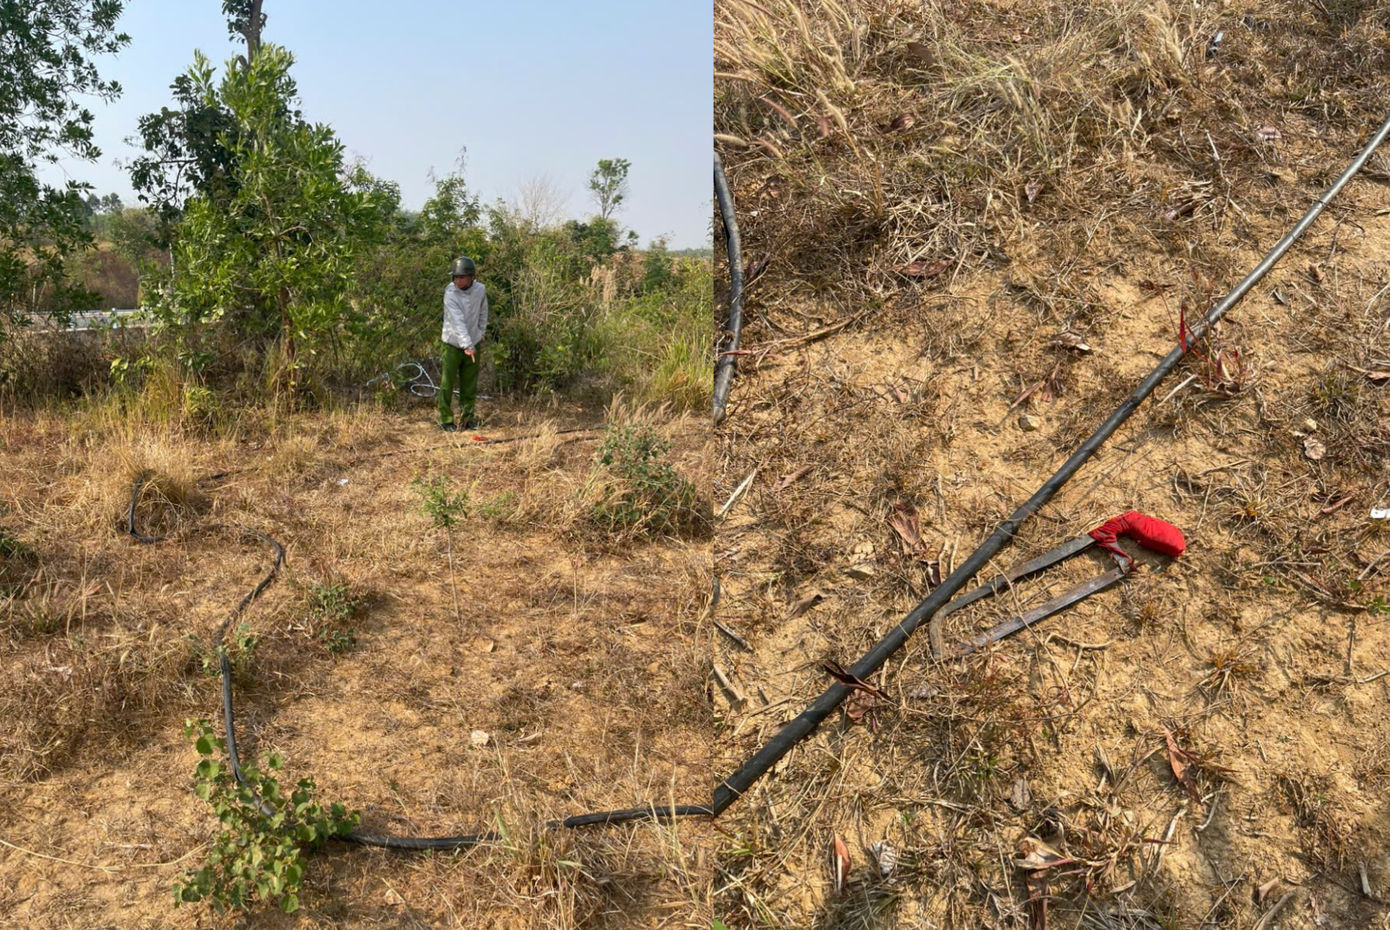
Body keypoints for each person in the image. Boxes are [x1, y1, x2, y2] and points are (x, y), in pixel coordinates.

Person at [439, 256, 489, 431]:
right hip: (452, 344)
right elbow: (457, 322)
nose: (457, 280)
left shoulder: (480, 290)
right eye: (455, 277)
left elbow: (483, 312)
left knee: (469, 384)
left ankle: (468, 419)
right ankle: (446, 420)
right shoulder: (450, 293)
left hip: (473, 344)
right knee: (447, 384)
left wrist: (480, 334)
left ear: (471, 277)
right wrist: (467, 345)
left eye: (461, 277)